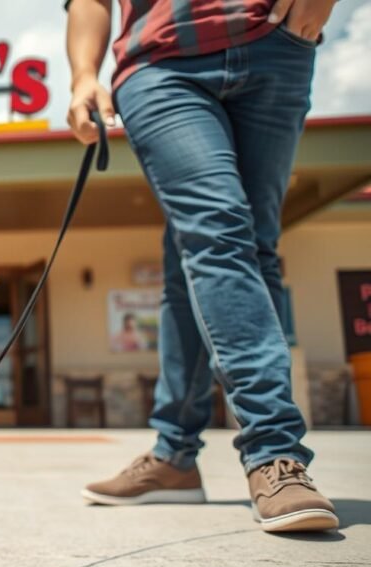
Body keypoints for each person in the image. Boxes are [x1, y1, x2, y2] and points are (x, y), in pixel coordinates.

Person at [65, 0, 339, 532]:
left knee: (229, 249)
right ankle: (274, 450)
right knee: (219, 230)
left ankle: (174, 456)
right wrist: (83, 77)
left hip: (277, 43)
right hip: (160, 64)